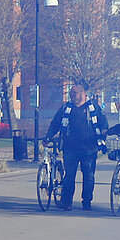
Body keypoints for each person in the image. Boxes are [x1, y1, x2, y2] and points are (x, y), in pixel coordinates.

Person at [46, 82, 107, 211]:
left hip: (89, 149)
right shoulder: (65, 109)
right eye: (71, 93)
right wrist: (49, 136)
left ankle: (86, 201)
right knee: (69, 176)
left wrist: (102, 138)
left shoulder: (93, 108)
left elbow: (103, 125)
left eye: (75, 93)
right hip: (70, 148)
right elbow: (55, 123)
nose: (72, 95)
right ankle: (66, 202)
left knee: (89, 176)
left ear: (83, 93)